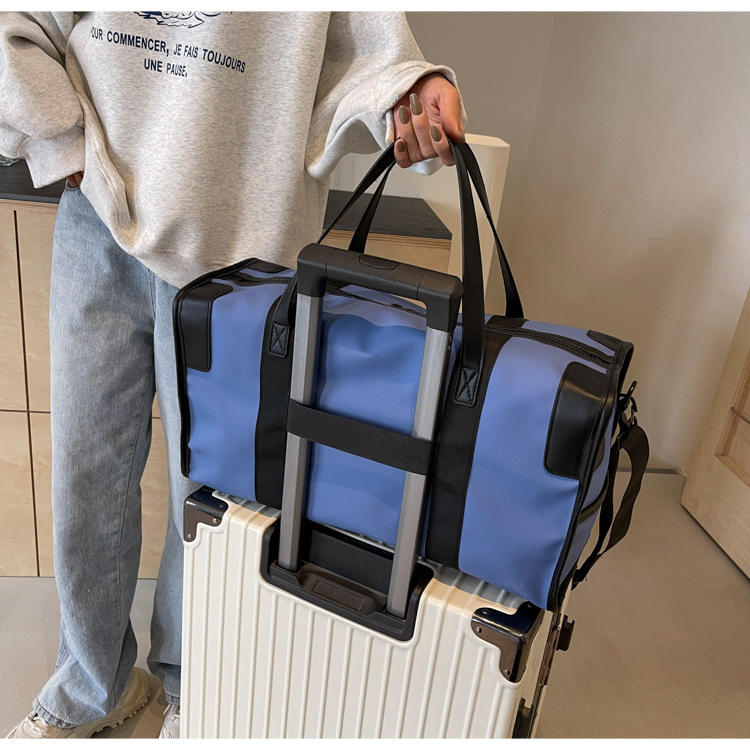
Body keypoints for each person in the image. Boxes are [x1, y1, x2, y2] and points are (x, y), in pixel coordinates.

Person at [0, 10, 465, 740]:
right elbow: (19, 24)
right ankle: (92, 686)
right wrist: (64, 144)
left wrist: (408, 88)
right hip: (99, 221)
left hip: (244, 245)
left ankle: (193, 685)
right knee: (86, 473)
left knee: (212, 497)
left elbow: (369, 47)